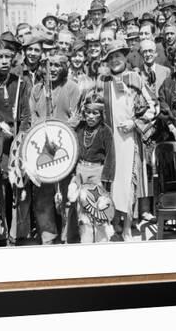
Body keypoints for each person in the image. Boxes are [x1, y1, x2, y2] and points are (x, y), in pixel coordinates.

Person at [100, 40, 157, 241]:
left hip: (130, 140)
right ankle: (113, 223)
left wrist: (135, 123)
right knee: (112, 184)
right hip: (110, 142)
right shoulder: (103, 82)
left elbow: (153, 106)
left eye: (118, 56)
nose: (115, 60)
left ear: (125, 57)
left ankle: (126, 228)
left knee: (128, 183)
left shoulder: (135, 78)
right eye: (111, 57)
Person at [0, 38, 32, 246]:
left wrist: (20, 139)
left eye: (8, 57)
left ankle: (16, 234)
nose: (4, 61)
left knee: (16, 192)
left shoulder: (20, 83)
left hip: (15, 146)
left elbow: (26, 117)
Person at [29, 53, 81, 244]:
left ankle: (69, 237)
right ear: (43, 68)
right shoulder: (36, 90)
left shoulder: (72, 88)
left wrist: (61, 131)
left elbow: (77, 116)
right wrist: (42, 130)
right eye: (49, 65)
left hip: (66, 147)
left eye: (58, 65)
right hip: (42, 149)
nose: (53, 69)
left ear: (64, 67)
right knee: (43, 197)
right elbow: (32, 116)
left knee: (69, 195)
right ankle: (48, 236)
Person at [68, 93, 116, 243]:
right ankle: (86, 243)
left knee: (99, 211)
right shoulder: (80, 128)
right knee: (83, 214)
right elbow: (73, 149)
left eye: (95, 113)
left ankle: (101, 244)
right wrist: (74, 176)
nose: (90, 116)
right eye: (88, 112)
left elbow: (111, 157)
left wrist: (106, 181)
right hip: (81, 171)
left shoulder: (105, 131)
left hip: (98, 174)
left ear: (101, 114)